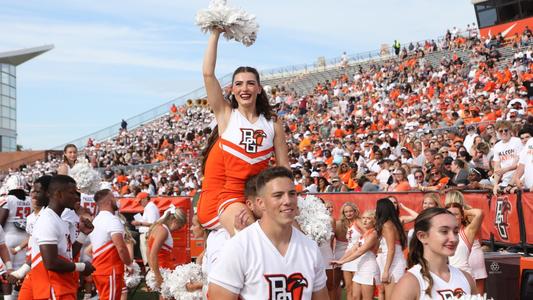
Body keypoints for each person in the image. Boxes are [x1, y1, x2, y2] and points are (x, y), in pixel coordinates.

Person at [203, 28, 289, 236]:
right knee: (250, 234)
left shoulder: (273, 123)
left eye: (251, 83)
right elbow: (208, 73)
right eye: (239, 84)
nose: (245, 88)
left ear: (259, 89)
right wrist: (214, 33)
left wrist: (289, 198)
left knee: (295, 233)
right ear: (232, 90)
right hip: (231, 196)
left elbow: (284, 166)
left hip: (260, 195)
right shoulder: (226, 114)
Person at [208, 167, 329, 299]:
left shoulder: (310, 247)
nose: (287, 201)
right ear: (260, 203)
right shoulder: (239, 247)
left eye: (292, 193)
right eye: (278, 195)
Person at [30, 175, 95, 299]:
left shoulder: (58, 219)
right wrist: (82, 267)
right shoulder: (48, 220)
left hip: (61, 287)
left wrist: (83, 234)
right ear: (59, 194)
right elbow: (51, 263)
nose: (76, 197)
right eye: (72, 192)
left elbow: (68, 255)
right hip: (52, 289)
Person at [393, 208, 478, 299]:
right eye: (444, 231)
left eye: (456, 232)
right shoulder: (409, 283)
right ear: (422, 236)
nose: (453, 238)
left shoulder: (466, 278)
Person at [89, 189, 134, 300]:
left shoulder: (96, 220)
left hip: (99, 268)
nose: (116, 200)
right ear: (109, 201)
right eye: (114, 197)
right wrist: (129, 264)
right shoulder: (112, 220)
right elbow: (121, 247)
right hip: (109, 269)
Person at [332, 210, 380, 300]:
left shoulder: (373, 234)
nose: (365, 220)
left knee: (367, 298)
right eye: (364, 218)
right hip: (360, 267)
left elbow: (359, 251)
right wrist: (339, 260)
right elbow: (353, 249)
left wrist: (343, 261)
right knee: (355, 297)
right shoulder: (365, 234)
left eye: (368, 218)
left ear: (374, 221)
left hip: (369, 268)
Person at [0, 178, 31, 299]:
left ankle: (9, 297)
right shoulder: (29, 200)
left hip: (7, 238)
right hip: (24, 238)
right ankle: (16, 295)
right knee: (20, 270)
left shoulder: (8, 200)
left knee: (6, 271)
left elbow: (1, 220)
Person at [147, 205, 187, 293]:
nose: (178, 229)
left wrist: (152, 269)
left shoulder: (158, 227)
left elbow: (148, 251)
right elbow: (153, 254)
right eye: (179, 226)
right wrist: (158, 276)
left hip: (161, 269)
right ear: (175, 221)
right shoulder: (163, 231)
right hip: (164, 270)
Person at [375, 198, 407, 300]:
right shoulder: (395, 223)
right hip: (393, 262)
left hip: (392, 264)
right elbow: (401, 246)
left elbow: (391, 249)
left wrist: (386, 270)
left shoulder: (387, 225)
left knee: (390, 297)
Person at [445, 202, 483, 277]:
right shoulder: (442, 233)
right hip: (448, 275)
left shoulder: (467, 232)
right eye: (450, 214)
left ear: (462, 216)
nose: (452, 216)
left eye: (456, 214)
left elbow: (479, 213)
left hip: (464, 275)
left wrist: (466, 212)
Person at [492, 121, 523, 195]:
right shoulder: (497, 146)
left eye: (506, 130)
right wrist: (495, 184)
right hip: (505, 181)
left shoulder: (517, 141)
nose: (503, 132)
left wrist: (505, 170)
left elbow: (519, 163)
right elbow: (497, 167)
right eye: (501, 131)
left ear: (510, 130)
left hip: (518, 180)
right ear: (497, 132)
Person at [131, 192, 160, 266]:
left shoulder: (150, 207)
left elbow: (152, 223)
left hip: (147, 234)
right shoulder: (149, 207)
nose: (140, 203)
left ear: (145, 199)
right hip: (147, 234)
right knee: (147, 259)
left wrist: (139, 223)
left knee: (148, 260)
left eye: (140, 201)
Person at [340, 202, 362, 300]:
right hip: (348, 257)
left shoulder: (358, 222)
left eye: (350, 211)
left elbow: (369, 234)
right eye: (346, 212)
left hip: (357, 257)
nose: (348, 214)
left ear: (355, 211)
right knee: (348, 288)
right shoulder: (348, 224)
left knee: (356, 290)